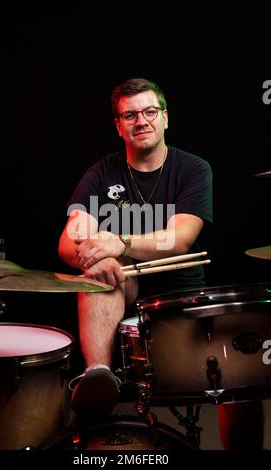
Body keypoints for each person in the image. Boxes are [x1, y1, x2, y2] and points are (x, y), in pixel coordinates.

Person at [58, 77, 262, 449]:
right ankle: (99, 378)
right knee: (97, 272)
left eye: (150, 111)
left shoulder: (193, 169)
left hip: (183, 300)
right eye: (130, 114)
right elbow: (69, 238)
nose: (142, 120)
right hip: (125, 291)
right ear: (118, 125)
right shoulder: (102, 173)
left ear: (166, 118)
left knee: (241, 380)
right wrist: (88, 249)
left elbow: (179, 238)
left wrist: (119, 241)